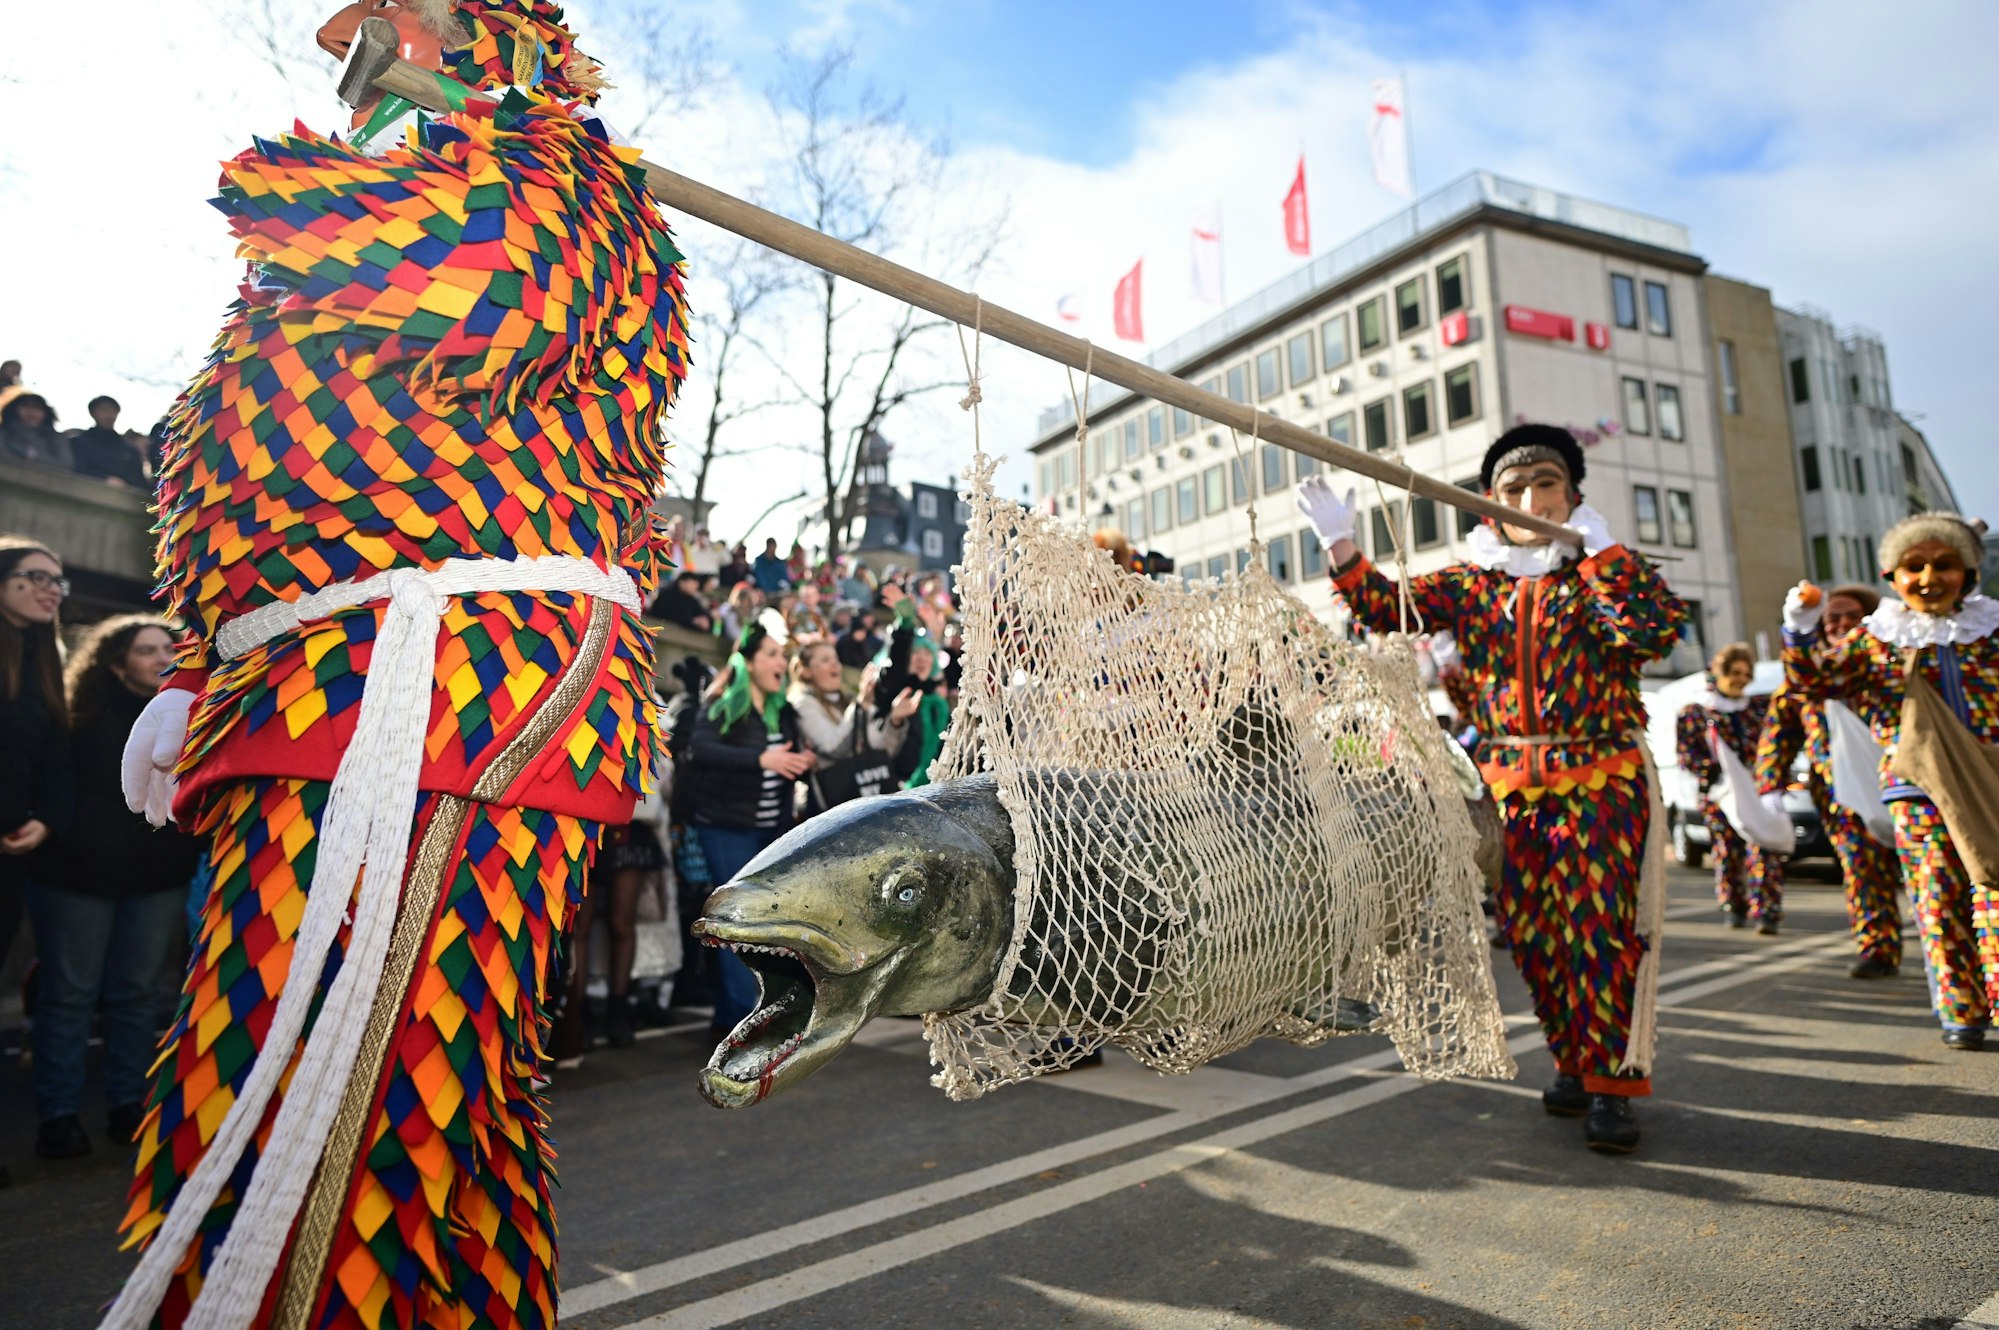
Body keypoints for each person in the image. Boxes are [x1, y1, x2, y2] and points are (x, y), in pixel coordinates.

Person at [104, 5, 696, 1325]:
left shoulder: (566, 182)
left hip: (447, 692)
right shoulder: (288, 290)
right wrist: (203, 663)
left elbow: (486, 285)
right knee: (388, 1120)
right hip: (311, 694)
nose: (365, 50)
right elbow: (248, 498)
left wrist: (293, 172)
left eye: (410, 23)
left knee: (332, 1118)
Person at [1301, 423, 1688, 1153]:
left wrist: (1599, 553)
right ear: (1490, 504)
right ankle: (1572, 1062)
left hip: (1598, 779)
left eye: (1546, 485)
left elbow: (1652, 630)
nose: (1530, 498)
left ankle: (1612, 1083)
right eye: (1514, 489)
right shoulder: (1473, 582)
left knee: (1596, 935)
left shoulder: (1602, 573)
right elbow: (1386, 610)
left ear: (1573, 497)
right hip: (1510, 787)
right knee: (1537, 937)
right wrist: (1341, 546)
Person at [1782, 513, 1999, 1050]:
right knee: (1937, 899)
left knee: (1995, 894)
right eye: (1914, 567)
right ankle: (1962, 1011)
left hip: (1991, 785)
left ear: (1969, 572)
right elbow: (1815, 682)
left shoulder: (1992, 630)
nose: (1929, 577)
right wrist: (1798, 628)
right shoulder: (1876, 639)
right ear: (1892, 576)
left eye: (1944, 565)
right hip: (1916, 792)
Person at [31, 616, 202, 1161]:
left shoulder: (195, 715)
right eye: (145, 650)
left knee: (138, 995)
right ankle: (58, 1115)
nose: (159, 658)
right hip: (77, 877)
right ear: (114, 662)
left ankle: (128, 1104)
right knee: (70, 996)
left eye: (167, 649)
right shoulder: (76, 717)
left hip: (157, 876)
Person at [1756, 583, 1905, 978]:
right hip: (1842, 791)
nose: (1840, 623)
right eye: (1832, 617)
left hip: (1905, 783)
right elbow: (1778, 735)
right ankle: (1877, 947)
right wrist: (1769, 785)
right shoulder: (1802, 679)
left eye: (1850, 616)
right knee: (1861, 868)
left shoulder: (1889, 660)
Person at [681, 614, 814, 1037]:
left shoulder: (784, 711)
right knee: (736, 924)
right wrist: (761, 760)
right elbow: (699, 749)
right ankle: (744, 1018)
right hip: (724, 828)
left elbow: (796, 759)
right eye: (772, 654)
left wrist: (801, 763)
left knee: (765, 926)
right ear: (751, 662)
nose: (781, 662)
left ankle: (738, 1016)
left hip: (769, 833)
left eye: (782, 655)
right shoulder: (723, 703)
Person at [0, 537, 73, 1018]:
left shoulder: (46, 660)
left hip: (13, 849)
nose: (52, 590)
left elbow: (55, 757)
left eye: (58, 581)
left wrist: (46, 819)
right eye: (38, 577)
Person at [1676, 642, 1783, 933]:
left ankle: (1767, 911)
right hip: (1719, 796)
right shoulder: (1696, 712)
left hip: (1756, 791)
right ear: (1718, 673)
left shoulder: (1757, 707)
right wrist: (1712, 776)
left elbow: (1773, 743)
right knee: (1727, 852)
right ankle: (1735, 907)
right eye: (1734, 672)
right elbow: (1687, 754)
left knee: (1764, 848)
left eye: (1746, 673)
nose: (1741, 679)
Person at [788, 640, 916, 812]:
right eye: (825, 660)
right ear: (806, 671)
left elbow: (882, 751)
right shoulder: (802, 703)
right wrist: (860, 704)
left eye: (836, 658)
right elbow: (833, 747)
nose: (835, 664)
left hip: (864, 802)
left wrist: (894, 721)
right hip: (833, 808)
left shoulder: (846, 701)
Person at [68, 395, 148, 487]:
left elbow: (139, 481)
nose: (110, 415)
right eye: (104, 410)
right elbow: (78, 470)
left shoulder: (129, 450)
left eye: (113, 411)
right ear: (93, 413)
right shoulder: (79, 443)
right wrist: (103, 479)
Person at [0, 393, 68, 468]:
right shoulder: (4, 432)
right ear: (14, 409)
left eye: (37, 408)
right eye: (26, 407)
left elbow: (64, 464)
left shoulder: (55, 438)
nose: (31, 412)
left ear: (46, 413)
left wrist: (34, 456)